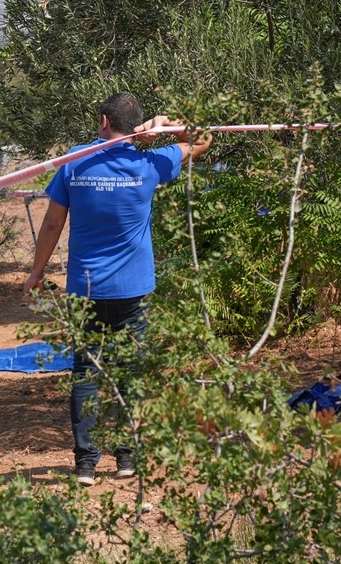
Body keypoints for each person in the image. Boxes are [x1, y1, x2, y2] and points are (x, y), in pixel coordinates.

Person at [24, 92, 211, 486]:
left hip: (86, 289)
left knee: (85, 374)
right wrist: (163, 127)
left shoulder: (75, 160)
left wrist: (36, 272)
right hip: (134, 291)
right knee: (130, 373)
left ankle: (86, 465)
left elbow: (53, 223)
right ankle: (127, 459)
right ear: (134, 124)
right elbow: (203, 137)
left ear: (105, 121)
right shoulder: (150, 163)